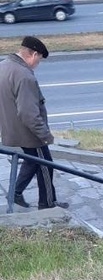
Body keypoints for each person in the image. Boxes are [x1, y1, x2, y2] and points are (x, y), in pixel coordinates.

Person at [0, 35, 68, 210]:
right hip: (29, 133)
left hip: (12, 127)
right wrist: (45, 136)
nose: (38, 65)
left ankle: (15, 192)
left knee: (32, 161)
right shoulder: (25, 76)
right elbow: (29, 113)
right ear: (34, 54)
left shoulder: (5, 65)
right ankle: (47, 204)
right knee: (46, 165)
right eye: (39, 60)